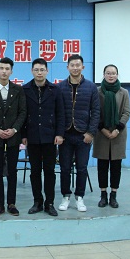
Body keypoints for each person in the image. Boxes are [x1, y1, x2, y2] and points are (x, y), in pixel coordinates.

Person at [21, 58, 65, 217]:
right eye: (36, 70)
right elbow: (22, 114)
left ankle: (50, 203)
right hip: (32, 137)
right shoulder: (25, 89)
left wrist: (59, 134)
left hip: (50, 137)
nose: (39, 73)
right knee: (34, 171)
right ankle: (37, 202)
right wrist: (23, 135)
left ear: (47, 71)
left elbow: (61, 114)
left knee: (49, 171)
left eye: (42, 70)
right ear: (32, 71)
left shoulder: (55, 89)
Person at [57, 54, 100, 212]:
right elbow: (57, 112)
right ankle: (65, 196)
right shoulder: (60, 87)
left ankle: (79, 198)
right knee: (65, 168)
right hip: (65, 135)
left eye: (78, 65)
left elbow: (96, 112)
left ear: (83, 67)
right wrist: (59, 134)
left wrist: (91, 133)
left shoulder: (91, 87)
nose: (75, 68)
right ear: (67, 67)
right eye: (72, 65)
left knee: (82, 168)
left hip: (83, 135)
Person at [0, 57, 27, 216]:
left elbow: (23, 112)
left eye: (7, 69)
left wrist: (14, 129)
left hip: (13, 136)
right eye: (1, 68)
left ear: (11, 71)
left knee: (12, 171)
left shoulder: (18, 90)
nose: (4, 71)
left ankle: (11, 203)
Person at [94, 64, 130, 209]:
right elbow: (94, 111)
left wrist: (117, 129)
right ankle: (103, 195)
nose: (111, 76)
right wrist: (102, 129)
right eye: (108, 73)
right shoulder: (97, 91)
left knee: (116, 167)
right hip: (101, 133)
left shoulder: (124, 92)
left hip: (118, 134)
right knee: (102, 166)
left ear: (117, 75)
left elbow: (126, 113)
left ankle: (113, 195)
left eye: (113, 73)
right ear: (104, 75)